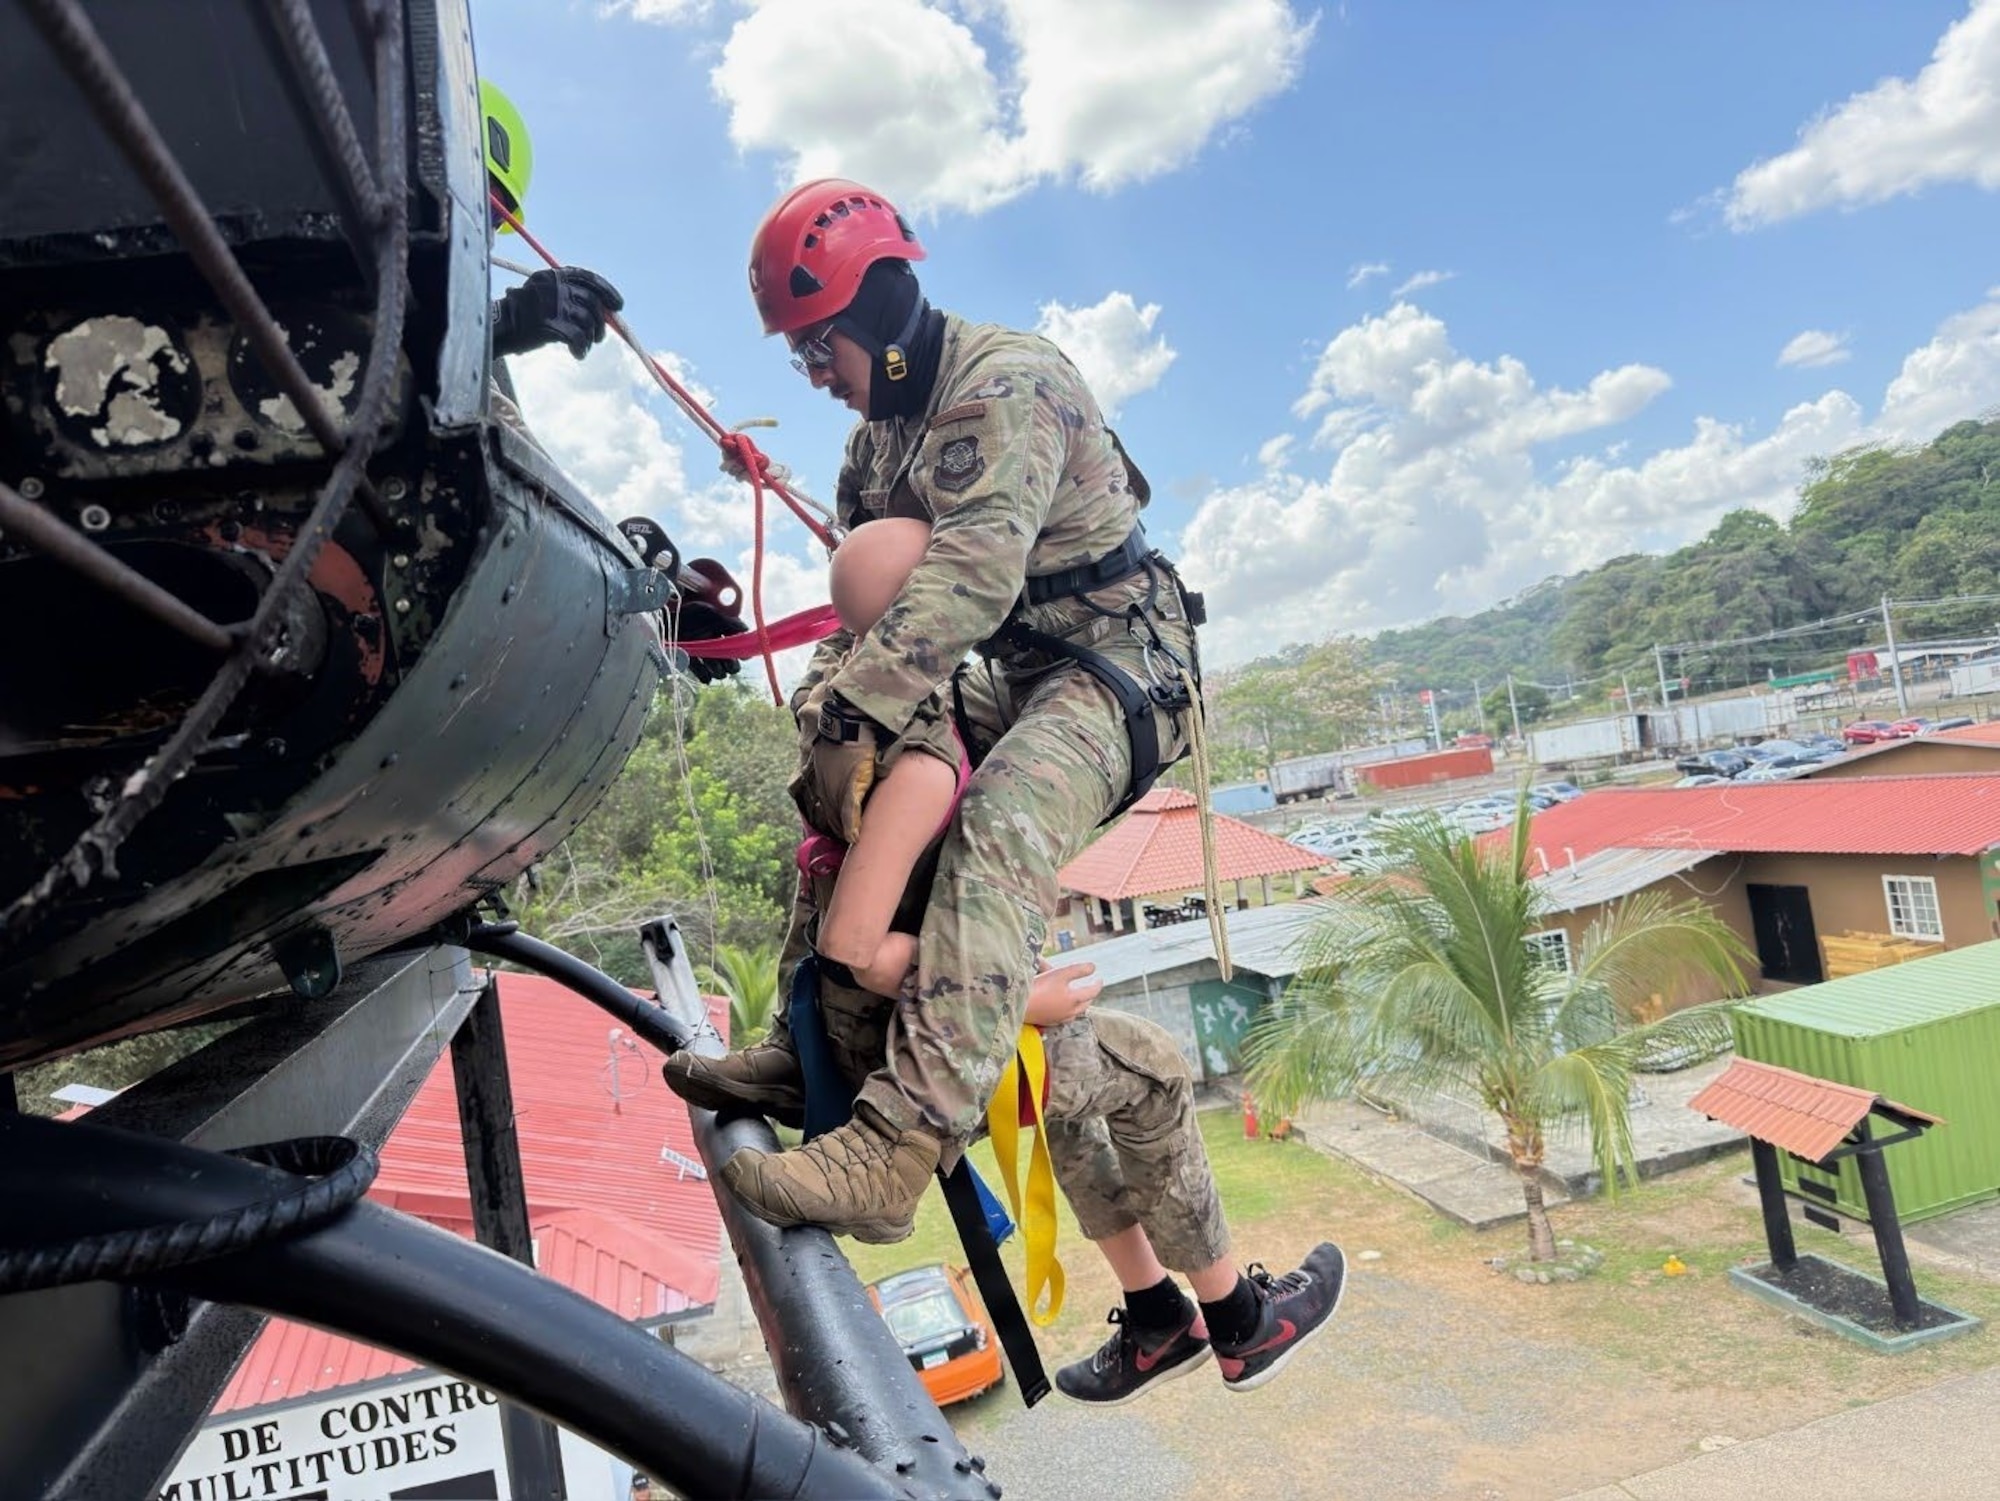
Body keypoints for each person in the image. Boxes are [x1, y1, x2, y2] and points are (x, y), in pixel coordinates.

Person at [665, 178, 1345, 1395]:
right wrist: (833, 726)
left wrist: (865, 701)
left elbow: (964, 581)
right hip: (1018, 667)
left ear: (875, 309)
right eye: (800, 352)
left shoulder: (1009, 383)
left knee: (990, 819)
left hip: (1118, 663)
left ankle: (889, 1141)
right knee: (842, 792)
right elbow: (867, 577)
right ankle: (804, 1039)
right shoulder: (875, 443)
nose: (814, 369)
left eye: (818, 344)